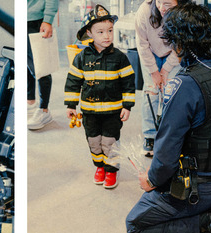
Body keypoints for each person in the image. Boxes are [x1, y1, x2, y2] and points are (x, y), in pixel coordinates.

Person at [126, 3, 211, 232]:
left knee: (135, 224)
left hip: (194, 188)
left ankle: (210, 222)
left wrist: (151, 180)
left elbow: (166, 153)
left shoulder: (186, 85)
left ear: (180, 43)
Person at [64, 5, 135, 189]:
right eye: (101, 31)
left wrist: (127, 105)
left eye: (110, 31)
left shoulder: (120, 58)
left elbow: (128, 82)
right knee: (94, 141)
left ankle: (111, 170)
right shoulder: (81, 58)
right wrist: (71, 104)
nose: (107, 36)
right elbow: (73, 81)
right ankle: (100, 167)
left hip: (113, 111)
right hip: (89, 111)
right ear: (89, 33)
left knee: (110, 142)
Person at [135, 0, 187, 157]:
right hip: (150, 53)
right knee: (151, 93)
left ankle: (167, 135)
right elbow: (142, 45)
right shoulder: (144, 11)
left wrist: (165, 69)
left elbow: (181, 45)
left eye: (167, 4)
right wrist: (154, 72)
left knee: (170, 94)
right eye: (158, 2)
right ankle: (149, 136)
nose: (161, 8)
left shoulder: (185, 14)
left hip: (173, 55)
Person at [27, 0, 58, 130]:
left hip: (36, 19)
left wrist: (48, 19)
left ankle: (44, 110)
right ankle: (30, 102)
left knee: (40, 65)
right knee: (26, 63)